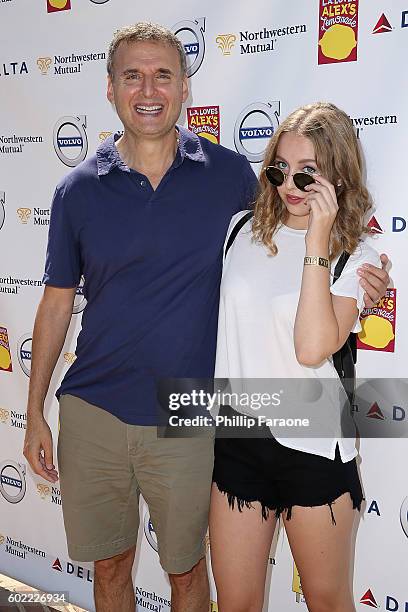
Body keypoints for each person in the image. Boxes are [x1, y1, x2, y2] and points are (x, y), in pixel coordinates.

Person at [22, 22, 388, 612]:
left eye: (163, 73)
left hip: (200, 418)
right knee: (111, 565)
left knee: (190, 574)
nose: (148, 88)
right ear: (110, 89)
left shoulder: (228, 180)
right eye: (132, 75)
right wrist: (34, 409)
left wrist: (363, 271)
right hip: (103, 410)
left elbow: (311, 271)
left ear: (185, 87)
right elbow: (57, 299)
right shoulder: (80, 192)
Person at [209, 102, 384, 612]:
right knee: (235, 602)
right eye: (280, 169)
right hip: (239, 438)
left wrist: (318, 242)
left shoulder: (358, 256)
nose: (290, 185)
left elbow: (311, 348)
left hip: (313, 449)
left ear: (337, 175)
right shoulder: (240, 232)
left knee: (328, 602)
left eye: (308, 174)